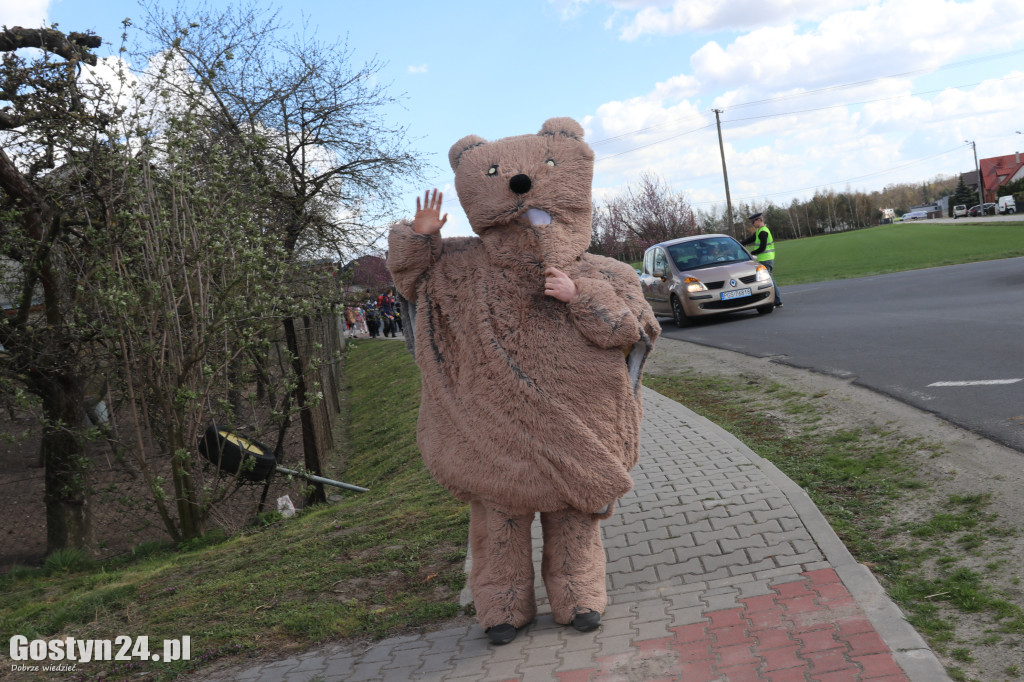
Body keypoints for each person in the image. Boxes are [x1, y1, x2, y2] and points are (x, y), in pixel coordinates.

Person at [741, 212, 783, 307]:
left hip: (766, 259)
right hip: (766, 259)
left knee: (769, 280)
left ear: (759, 220)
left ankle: (777, 301)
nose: (752, 224)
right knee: (770, 279)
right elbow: (748, 240)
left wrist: (751, 253)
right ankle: (777, 300)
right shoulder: (760, 231)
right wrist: (738, 244)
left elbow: (762, 247)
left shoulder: (763, 232)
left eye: (753, 221)